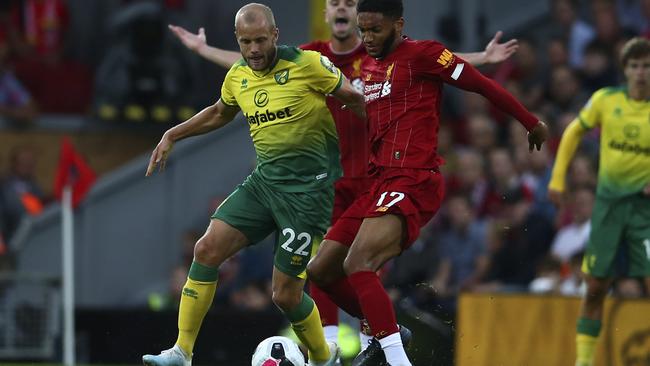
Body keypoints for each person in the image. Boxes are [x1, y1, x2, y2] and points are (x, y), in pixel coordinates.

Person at [168, 0, 518, 355]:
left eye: (349, 3)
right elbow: (255, 64)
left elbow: (432, 60)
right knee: (323, 261)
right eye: (334, 2)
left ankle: (374, 340)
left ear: (358, 15)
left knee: (366, 263)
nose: (341, 8)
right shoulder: (311, 56)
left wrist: (481, 58)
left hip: (375, 176)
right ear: (326, 14)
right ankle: (333, 344)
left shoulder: (377, 55)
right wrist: (204, 49)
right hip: (332, 177)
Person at [302, 0, 548, 364]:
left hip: (414, 179)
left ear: (398, 25)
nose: (367, 38)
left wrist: (530, 121)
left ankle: (396, 357)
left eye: (375, 30)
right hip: (376, 184)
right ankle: (384, 328)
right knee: (320, 270)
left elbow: (481, 85)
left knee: (358, 263)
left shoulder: (426, 55)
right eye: (363, 30)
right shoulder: (368, 68)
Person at [141, 3, 366, 366]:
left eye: (261, 40)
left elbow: (356, 101)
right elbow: (219, 112)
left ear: (275, 35)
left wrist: (388, 148)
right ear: (238, 40)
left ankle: (324, 359)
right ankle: (182, 352)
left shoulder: (308, 65)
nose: (255, 50)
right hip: (263, 185)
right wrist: (172, 134)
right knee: (206, 249)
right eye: (247, 42)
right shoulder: (238, 76)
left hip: (308, 195)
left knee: (285, 295)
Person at [548, 37, 650, 366]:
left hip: (643, 211)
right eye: (635, 66)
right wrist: (558, 179)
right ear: (625, 69)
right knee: (594, 287)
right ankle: (584, 362)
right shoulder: (606, 100)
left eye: (647, 65)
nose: (641, 72)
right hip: (608, 208)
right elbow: (573, 132)